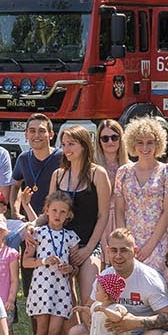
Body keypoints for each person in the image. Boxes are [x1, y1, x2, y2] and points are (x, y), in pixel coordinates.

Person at [64, 227, 168, 335]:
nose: (118, 256)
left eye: (124, 250)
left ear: (135, 251)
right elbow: (89, 307)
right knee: (76, 334)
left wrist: (135, 322)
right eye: (114, 250)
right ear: (107, 251)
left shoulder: (149, 279)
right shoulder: (105, 277)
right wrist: (98, 328)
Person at [23, 191, 80, 335]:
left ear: (69, 215)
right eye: (54, 210)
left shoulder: (71, 237)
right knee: (42, 328)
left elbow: (75, 267)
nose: (58, 215)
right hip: (42, 286)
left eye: (62, 212)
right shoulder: (37, 233)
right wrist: (44, 261)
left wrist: (70, 268)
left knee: (55, 330)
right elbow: (26, 262)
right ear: (46, 210)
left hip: (60, 287)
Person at [50, 125, 112, 299]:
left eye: (71, 144)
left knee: (89, 300)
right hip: (61, 245)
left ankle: (90, 326)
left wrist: (88, 249)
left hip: (88, 245)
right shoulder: (58, 175)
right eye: (63, 144)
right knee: (65, 305)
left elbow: (103, 215)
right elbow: (49, 212)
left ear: (84, 145)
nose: (66, 149)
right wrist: (31, 225)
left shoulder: (97, 174)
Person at [113, 115, 168, 264]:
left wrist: (149, 246)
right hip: (130, 244)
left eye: (150, 142)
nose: (145, 147)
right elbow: (119, 210)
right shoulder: (123, 172)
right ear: (132, 144)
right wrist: (125, 244)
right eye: (140, 143)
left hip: (158, 243)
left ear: (158, 144)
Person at [13, 114, 62, 220]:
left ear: (51, 134)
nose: (36, 135)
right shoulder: (23, 158)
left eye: (41, 131)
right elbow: (16, 186)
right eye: (32, 131)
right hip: (30, 221)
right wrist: (15, 212)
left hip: (56, 223)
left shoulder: (62, 158)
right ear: (26, 135)